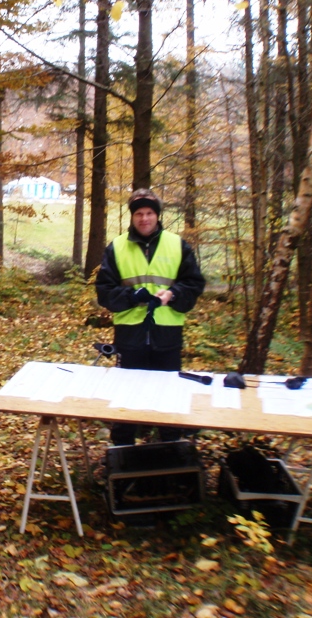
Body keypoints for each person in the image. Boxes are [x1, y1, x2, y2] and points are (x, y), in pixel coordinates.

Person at [95, 188, 206, 446]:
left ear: (157, 215)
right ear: (132, 217)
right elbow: (104, 292)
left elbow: (194, 283)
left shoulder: (177, 245)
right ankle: (122, 454)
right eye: (139, 214)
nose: (144, 219)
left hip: (167, 337)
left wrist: (173, 294)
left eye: (149, 213)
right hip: (129, 337)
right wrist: (132, 297)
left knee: (169, 399)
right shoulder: (116, 248)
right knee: (124, 400)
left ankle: (171, 456)